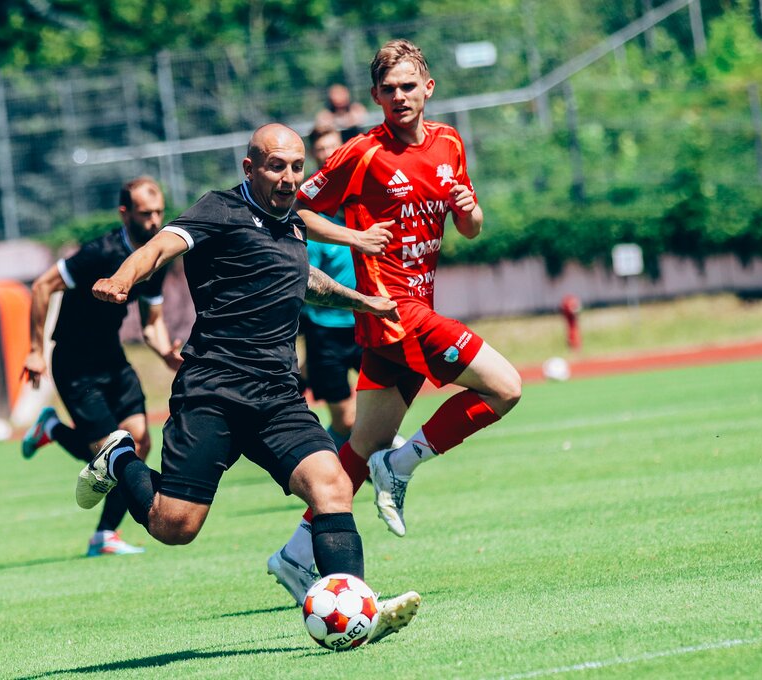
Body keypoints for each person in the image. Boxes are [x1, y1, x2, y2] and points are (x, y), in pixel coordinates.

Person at [75, 123, 420, 642]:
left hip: (278, 394)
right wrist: (123, 278)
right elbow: (161, 247)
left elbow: (304, 281)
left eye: (297, 167)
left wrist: (362, 302)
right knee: (175, 526)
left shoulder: (293, 222)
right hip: (213, 391)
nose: (288, 178)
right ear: (250, 167)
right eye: (276, 166)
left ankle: (357, 612)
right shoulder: (219, 209)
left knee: (331, 485)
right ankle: (120, 457)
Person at [267, 39, 523, 603]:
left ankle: (294, 554)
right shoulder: (361, 152)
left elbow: (472, 227)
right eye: (389, 89)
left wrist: (470, 211)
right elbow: (296, 211)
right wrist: (355, 237)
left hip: (410, 312)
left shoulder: (450, 142)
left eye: (409, 86)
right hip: (396, 312)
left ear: (428, 88)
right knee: (506, 388)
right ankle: (403, 463)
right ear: (375, 96)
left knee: (360, 449)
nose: (400, 96)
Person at [22, 177, 183, 557]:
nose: (154, 221)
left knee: (138, 443)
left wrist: (166, 354)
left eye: (159, 212)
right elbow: (42, 286)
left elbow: (151, 323)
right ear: (125, 214)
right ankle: (52, 428)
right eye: (145, 214)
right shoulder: (100, 252)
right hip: (75, 363)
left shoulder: (155, 257)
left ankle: (105, 535)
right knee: (113, 454)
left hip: (112, 359)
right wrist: (35, 350)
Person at [300, 124, 361, 449]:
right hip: (325, 330)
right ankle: (325, 463)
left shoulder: (363, 194)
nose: (327, 155)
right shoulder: (307, 210)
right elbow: (305, 279)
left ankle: (373, 453)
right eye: (321, 149)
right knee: (346, 420)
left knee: (391, 397)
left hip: (365, 323)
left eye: (333, 147)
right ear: (313, 154)